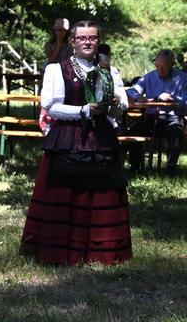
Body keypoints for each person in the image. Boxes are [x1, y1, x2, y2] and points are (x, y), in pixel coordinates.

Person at [22, 20, 132, 264]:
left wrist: (115, 105)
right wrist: (84, 111)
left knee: (102, 192)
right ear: (72, 42)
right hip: (68, 138)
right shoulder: (57, 69)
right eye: (82, 38)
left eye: (92, 38)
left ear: (98, 41)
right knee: (66, 194)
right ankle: (64, 252)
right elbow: (50, 106)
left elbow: (121, 107)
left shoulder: (110, 71)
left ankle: (101, 251)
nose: (87, 42)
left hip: (102, 138)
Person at [126, 49, 186, 176]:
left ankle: (170, 168)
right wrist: (138, 96)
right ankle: (134, 166)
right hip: (151, 116)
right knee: (135, 130)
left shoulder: (182, 78)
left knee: (176, 132)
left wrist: (173, 98)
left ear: (172, 64)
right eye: (158, 66)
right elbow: (131, 91)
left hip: (172, 117)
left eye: (164, 67)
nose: (160, 70)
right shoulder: (149, 76)